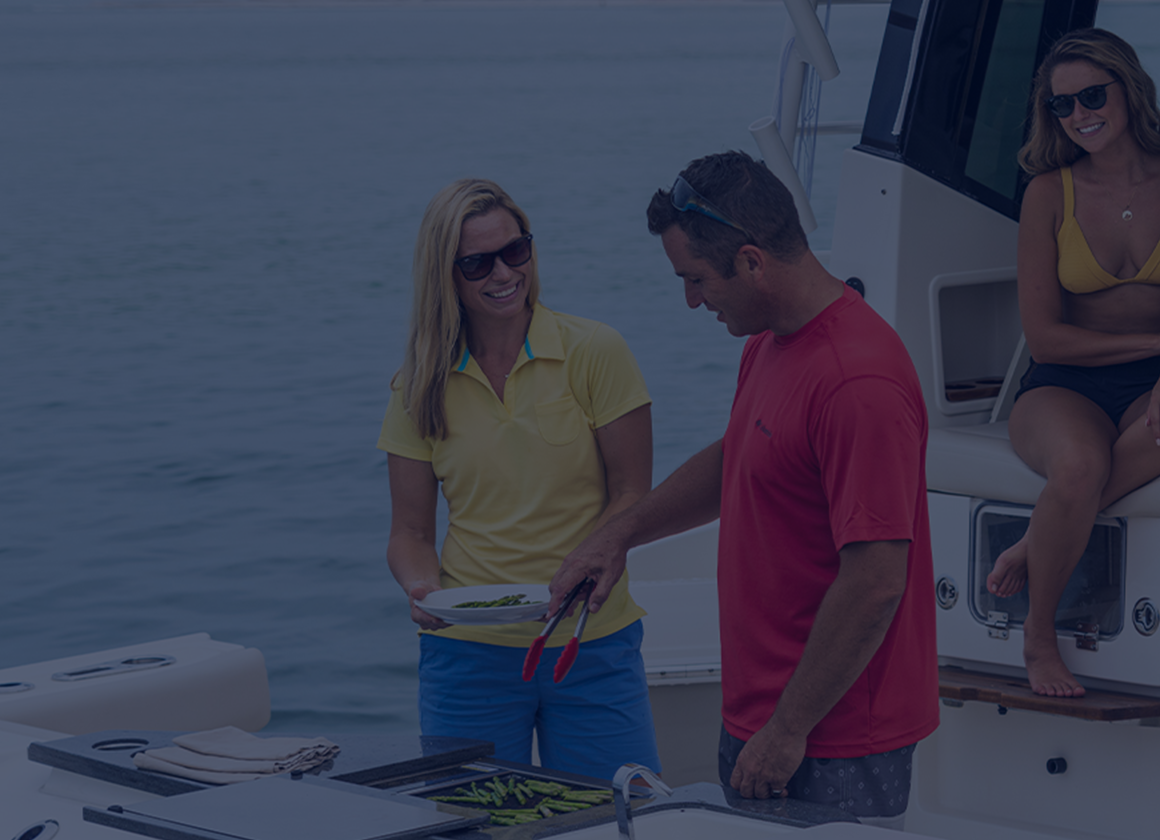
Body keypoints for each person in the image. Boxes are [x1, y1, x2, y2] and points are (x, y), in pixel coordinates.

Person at [550, 151, 938, 828]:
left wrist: (788, 730)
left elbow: (877, 582)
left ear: (752, 262)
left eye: (696, 279)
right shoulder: (770, 341)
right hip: (764, 715)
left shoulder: (859, 384)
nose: (691, 300)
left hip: (831, 733)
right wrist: (620, 536)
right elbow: (741, 456)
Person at [379, 178, 660, 780]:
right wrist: (421, 588)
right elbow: (409, 532)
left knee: (619, 815)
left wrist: (586, 564)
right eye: (477, 263)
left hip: (590, 639)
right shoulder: (417, 384)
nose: (504, 273)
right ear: (444, 275)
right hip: (467, 652)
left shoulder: (596, 351)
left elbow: (632, 495)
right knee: (472, 818)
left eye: (515, 250)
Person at [985, 29, 1160, 699]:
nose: (1079, 114)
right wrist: (1154, 348)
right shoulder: (1048, 194)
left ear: (1129, 89)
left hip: (1150, 385)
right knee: (1078, 467)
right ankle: (1038, 636)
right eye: (1062, 105)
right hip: (1064, 385)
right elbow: (1047, 340)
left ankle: (1035, 541)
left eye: (1092, 95)